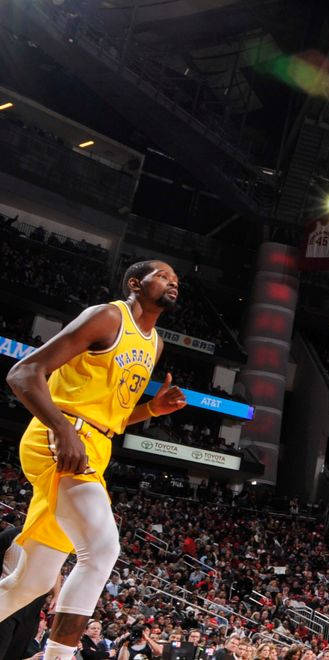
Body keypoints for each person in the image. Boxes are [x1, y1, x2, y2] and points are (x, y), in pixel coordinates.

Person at [0, 260, 188, 660]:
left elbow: (113, 418)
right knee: (102, 548)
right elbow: (23, 373)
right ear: (135, 283)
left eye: (177, 280)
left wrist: (151, 410)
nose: (174, 283)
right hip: (60, 435)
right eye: (164, 276)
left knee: (31, 582)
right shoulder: (107, 317)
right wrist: (63, 430)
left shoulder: (155, 343)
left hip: (94, 445)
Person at [0, 525, 51, 660]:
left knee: (16, 652)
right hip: (8, 600)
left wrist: (56, 594)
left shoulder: (52, 540)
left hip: (31, 609)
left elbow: (56, 572)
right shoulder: (11, 535)